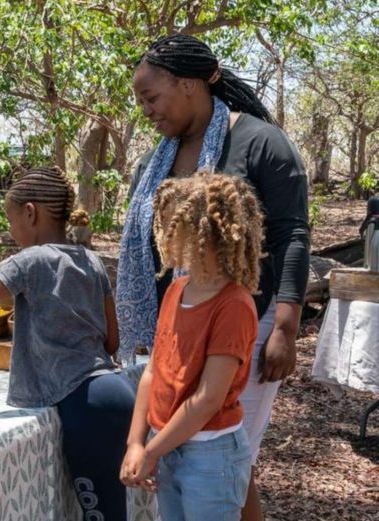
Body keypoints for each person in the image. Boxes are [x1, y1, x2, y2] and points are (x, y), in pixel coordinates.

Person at [116, 33, 310, 520]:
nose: (146, 110)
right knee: (203, 457)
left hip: (245, 322)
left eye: (151, 97)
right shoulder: (155, 158)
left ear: (188, 84)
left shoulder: (260, 142)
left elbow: (292, 235)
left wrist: (286, 326)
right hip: (178, 324)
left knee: (225, 451)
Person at [0, 167, 134, 521]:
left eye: (11, 218)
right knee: (112, 510)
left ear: (30, 213)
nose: (10, 228)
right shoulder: (91, 260)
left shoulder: (31, 261)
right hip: (117, 392)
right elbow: (113, 340)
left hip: (87, 405)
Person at [121, 171, 265, 521]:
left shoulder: (233, 305)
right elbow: (153, 372)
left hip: (212, 457)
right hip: (168, 447)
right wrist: (136, 443)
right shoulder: (176, 291)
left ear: (205, 234)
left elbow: (207, 399)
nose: (163, 236)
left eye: (173, 226)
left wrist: (151, 451)